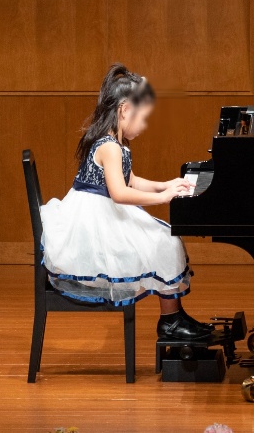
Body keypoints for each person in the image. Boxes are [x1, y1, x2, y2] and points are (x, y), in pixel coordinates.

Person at [40, 64, 213, 341]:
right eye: (142, 118)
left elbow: (131, 181)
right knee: (165, 241)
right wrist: (162, 197)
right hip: (93, 225)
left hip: (103, 215)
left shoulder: (115, 143)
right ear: (124, 110)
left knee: (163, 238)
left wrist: (165, 184)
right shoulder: (109, 147)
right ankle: (170, 320)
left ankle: (174, 316)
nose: (144, 126)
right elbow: (120, 193)